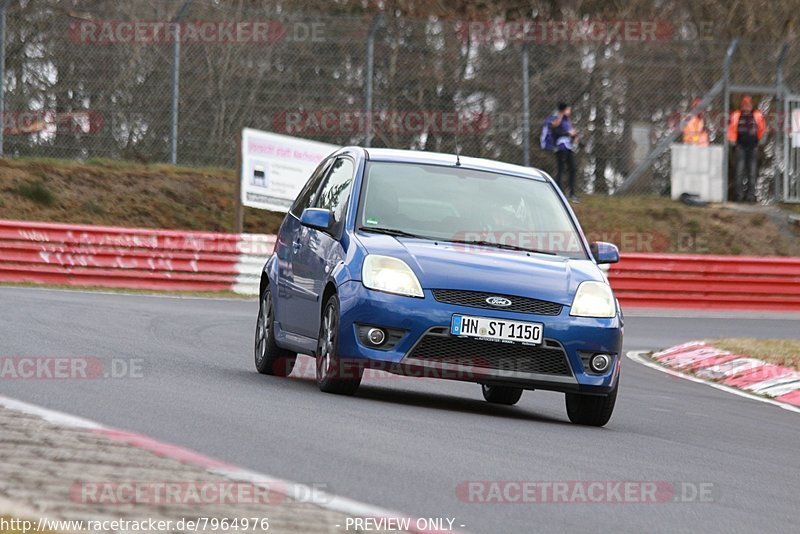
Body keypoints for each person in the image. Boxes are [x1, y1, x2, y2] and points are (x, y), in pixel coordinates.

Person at [727, 95, 766, 202]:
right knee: (739, 171)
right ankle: (739, 196)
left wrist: (760, 142)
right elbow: (731, 129)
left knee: (752, 172)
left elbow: (762, 129)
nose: (746, 106)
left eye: (748, 104)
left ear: (751, 105)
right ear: (742, 105)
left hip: (753, 147)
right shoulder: (736, 115)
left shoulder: (757, 115)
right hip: (740, 147)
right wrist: (734, 143)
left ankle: (750, 197)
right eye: (744, 104)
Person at [545, 102, 579, 201]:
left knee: (573, 168)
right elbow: (554, 127)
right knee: (561, 169)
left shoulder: (567, 120)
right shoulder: (556, 118)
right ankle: (559, 191)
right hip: (560, 147)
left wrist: (574, 136)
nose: (569, 111)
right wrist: (560, 115)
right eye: (568, 109)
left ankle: (572, 192)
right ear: (564, 110)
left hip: (568, 147)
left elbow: (571, 131)